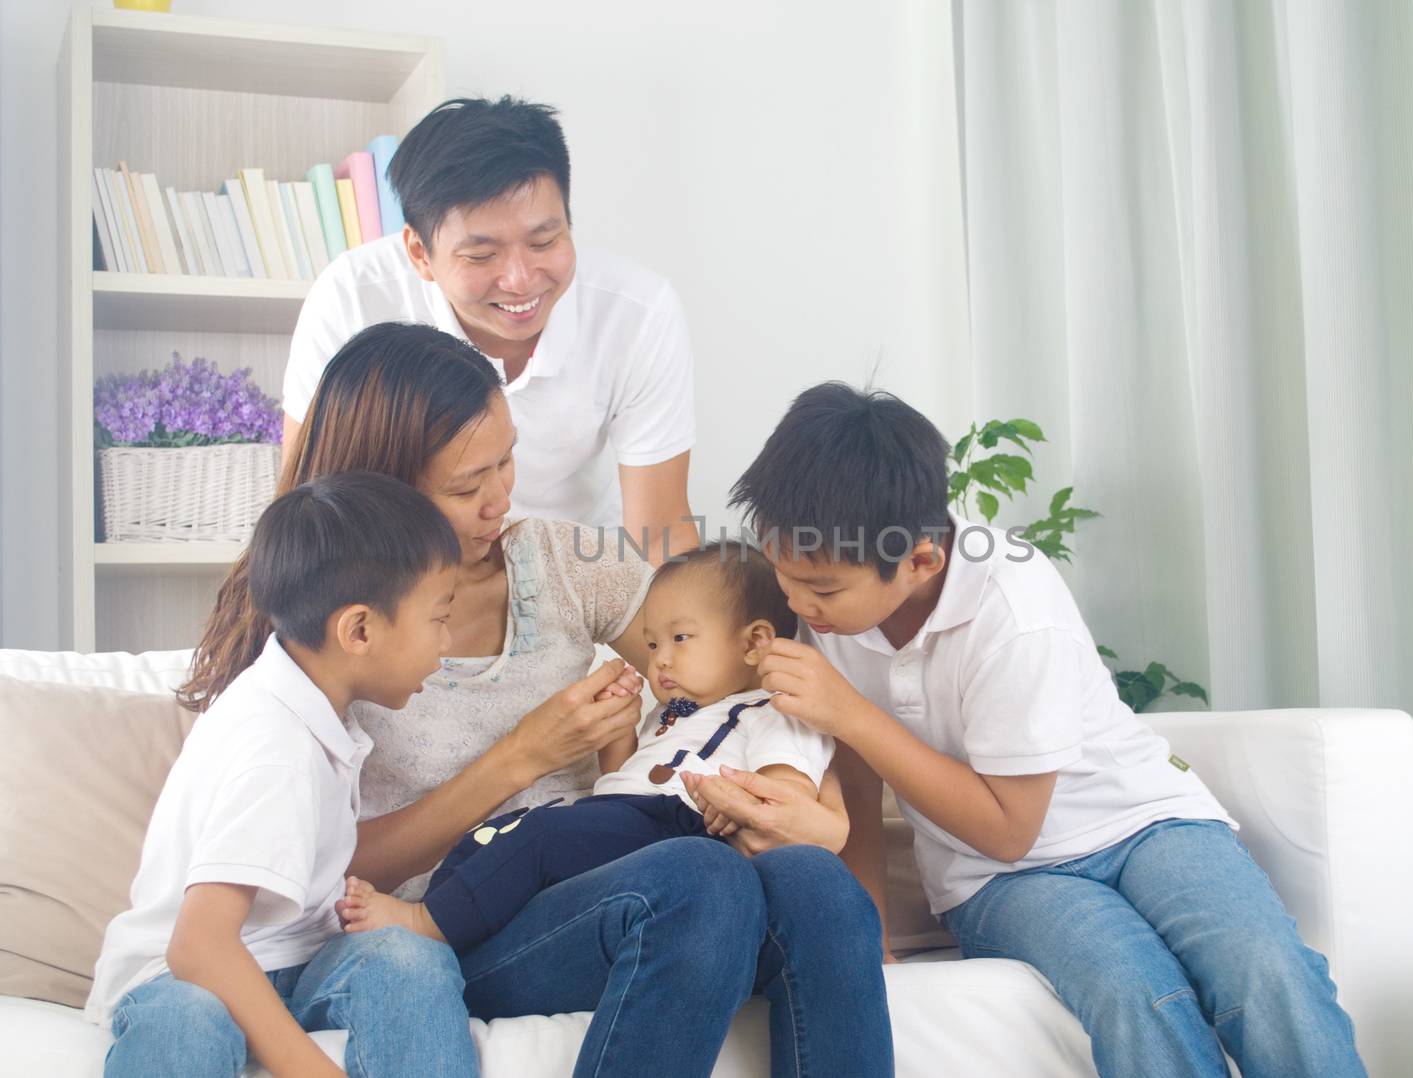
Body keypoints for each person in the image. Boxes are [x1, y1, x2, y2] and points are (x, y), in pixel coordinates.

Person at [183, 324, 892, 1078]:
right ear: (381, 496)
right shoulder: (334, 637)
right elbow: (313, 874)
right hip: (454, 925)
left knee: (815, 883)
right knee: (700, 880)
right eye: (467, 486)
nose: (502, 500)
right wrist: (522, 756)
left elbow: (742, 658)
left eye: (507, 460)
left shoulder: (559, 560)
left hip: (621, 880)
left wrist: (809, 806)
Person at [719, 381, 1368, 1078]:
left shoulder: (1015, 608)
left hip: (1141, 821)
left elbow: (1010, 824)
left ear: (921, 561)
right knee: (1135, 992)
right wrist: (869, 937)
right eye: (785, 576)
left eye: (821, 590)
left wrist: (851, 711)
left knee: (1264, 967)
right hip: (995, 880)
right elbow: (861, 791)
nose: (797, 603)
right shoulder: (825, 619)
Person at [88, 472, 477, 1078]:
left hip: (298, 962)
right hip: (180, 976)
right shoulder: (275, 745)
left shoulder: (315, 711)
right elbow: (199, 946)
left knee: (408, 959)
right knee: (187, 1020)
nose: (446, 644)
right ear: (360, 630)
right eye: (439, 618)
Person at [339, 541, 835, 953]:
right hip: (633, 822)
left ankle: (428, 923)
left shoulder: (774, 709)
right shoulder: (672, 714)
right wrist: (619, 737)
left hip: (685, 830)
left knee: (542, 834)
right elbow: (617, 789)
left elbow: (783, 802)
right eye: (653, 644)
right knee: (489, 838)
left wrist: (747, 811)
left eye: (679, 638)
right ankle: (461, 928)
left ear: (754, 643)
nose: (660, 661)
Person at [284, 96, 697, 559]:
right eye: (481, 256)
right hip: (401, 573)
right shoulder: (353, 296)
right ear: (420, 253)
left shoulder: (637, 312)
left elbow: (661, 538)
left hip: (572, 573)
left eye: (545, 241)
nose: (520, 280)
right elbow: (307, 506)